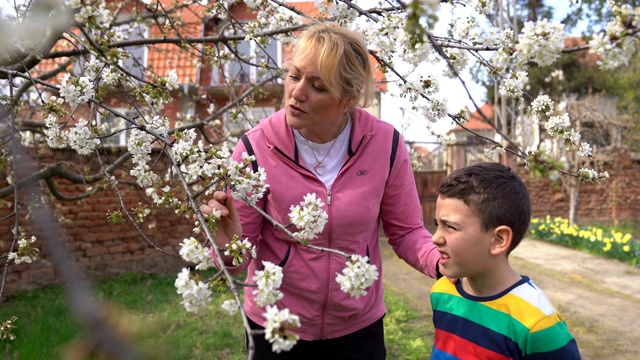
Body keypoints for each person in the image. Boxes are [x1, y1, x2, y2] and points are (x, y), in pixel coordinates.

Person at [200, 22, 440, 359]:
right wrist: (227, 244)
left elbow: (407, 232)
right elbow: (237, 259)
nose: (297, 93)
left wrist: (443, 263)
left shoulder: (386, 144)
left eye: (318, 86)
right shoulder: (254, 149)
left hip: (358, 326)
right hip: (276, 323)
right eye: (294, 76)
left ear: (349, 99)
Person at [429, 162, 581, 359]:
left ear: (498, 240)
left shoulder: (538, 325)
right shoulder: (442, 293)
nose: (435, 237)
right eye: (437, 224)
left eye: (450, 227)